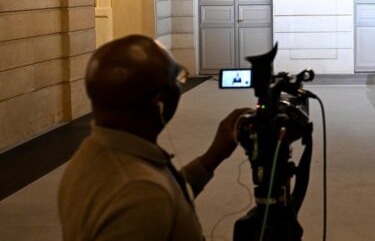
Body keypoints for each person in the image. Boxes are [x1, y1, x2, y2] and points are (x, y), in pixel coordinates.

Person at [58, 35, 251, 241]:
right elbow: (149, 197)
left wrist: (213, 156)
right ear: (160, 102)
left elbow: (169, 197)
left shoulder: (96, 154)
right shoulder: (139, 191)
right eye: (178, 79)